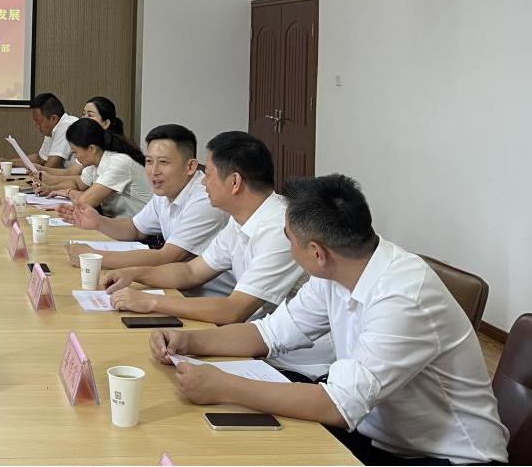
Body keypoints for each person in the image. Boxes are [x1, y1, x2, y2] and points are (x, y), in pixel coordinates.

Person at [148, 175, 510, 466]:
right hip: (378, 434)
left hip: (446, 456)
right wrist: (189, 341)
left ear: (317, 253)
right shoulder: (338, 270)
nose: (288, 247)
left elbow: (337, 405)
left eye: (289, 239)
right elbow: (269, 333)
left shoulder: (403, 297)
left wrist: (224, 386)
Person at [103, 131, 332, 377]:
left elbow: (234, 310)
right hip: (255, 344)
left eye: (209, 174)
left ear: (234, 182)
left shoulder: (278, 229)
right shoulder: (241, 219)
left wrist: (151, 301)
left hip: (297, 365)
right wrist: (135, 274)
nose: (203, 182)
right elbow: (191, 271)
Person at [59, 124, 230, 285]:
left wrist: (95, 257)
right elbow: (135, 229)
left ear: (191, 166)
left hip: (206, 296)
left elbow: (167, 257)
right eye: (149, 161)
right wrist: (98, 222)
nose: (154, 171)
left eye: (164, 162)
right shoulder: (166, 190)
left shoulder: (205, 199)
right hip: (177, 286)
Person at [35, 118, 151, 218]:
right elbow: (78, 183)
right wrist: (50, 189)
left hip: (144, 232)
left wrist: (68, 192)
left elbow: (85, 201)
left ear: (91, 149)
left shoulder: (118, 163)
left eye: (75, 152)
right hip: (119, 224)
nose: (74, 156)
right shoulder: (95, 163)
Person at [12, 91, 77, 169]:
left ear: (53, 119)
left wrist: (36, 174)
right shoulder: (52, 129)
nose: (37, 126)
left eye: (39, 122)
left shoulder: (66, 126)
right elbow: (40, 158)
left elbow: (52, 165)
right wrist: (10, 163)